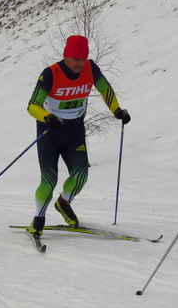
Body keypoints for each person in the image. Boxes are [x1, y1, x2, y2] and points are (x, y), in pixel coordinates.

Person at [25, 35, 131, 235]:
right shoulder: (50, 74)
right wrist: (47, 117)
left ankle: (63, 203)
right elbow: (32, 106)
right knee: (49, 180)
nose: (80, 64)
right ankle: (38, 220)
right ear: (65, 55)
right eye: (75, 59)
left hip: (74, 131)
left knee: (81, 175)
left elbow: (105, 89)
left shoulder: (91, 68)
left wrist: (117, 110)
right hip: (50, 132)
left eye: (83, 59)